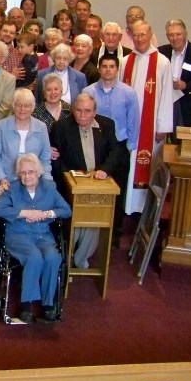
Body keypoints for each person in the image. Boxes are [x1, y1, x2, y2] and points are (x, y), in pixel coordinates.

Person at [0, 153, 72, 324]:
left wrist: (46, 214)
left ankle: (48, 304)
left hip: (43, 235)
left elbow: (66, 210)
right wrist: (24, 213)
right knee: (34, 256)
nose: (26, 176)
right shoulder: (12, 188)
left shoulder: (49, 187)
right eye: (23, 173)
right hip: (18, 235)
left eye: (30, 172)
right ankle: (26, 305)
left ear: (39, 172)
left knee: (53, 257)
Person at [50, 94, 121, 268]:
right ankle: (70, 255)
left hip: (99, 186)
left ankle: (79, 257)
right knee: (76, 217)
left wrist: (104, 170)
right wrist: (68, 175)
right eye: (79, 110)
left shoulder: (107, 125)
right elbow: (55, 157)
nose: (82, 115)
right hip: (70, 186)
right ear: (73, 110)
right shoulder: (61, 127)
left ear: (95, 112)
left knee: (94, 218)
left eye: (87, 111)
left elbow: (115, 152)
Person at [83, 53, 139, 244]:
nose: (108, 70)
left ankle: (114, 232)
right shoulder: (88, 91)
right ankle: (90, 230)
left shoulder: (128, 93)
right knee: (94, 188)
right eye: (104, 66)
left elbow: (133, 122)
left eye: (111, 66)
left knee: (118, 190)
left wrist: (131, 147)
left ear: (117, 69)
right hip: (94, 146)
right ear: (99, 68)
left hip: (119, 146)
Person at [122, 20, 173, 215]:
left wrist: (163, 126)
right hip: (129, 126)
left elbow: (167, 95)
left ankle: (145, 210)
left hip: (151, 128)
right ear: (131, 36)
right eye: (136, 35)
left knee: (147, 166)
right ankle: (128, 206)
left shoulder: (161, 62)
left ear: (150, 35)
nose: (140, 38)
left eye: (143, 34)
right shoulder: (126, 62)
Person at [0, 89, 52, 193]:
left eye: (27, 105)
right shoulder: (1, 126)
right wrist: (2, 179)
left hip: (33, 183)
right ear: (13, 106)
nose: (22, 109)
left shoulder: (41, 127)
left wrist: (47, 181)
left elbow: (45, 159)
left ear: (32, 107)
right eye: (19, 105)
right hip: (5, 181)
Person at [158, 19, 191, 132]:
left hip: (188, 101)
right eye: (171, 35)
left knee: (184, 135)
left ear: (185, 34)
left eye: (178, 34)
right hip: (164, 101)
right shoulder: (161, 52)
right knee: (163, 133)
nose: (175, 38)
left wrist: (186, 85)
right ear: (167, 36)